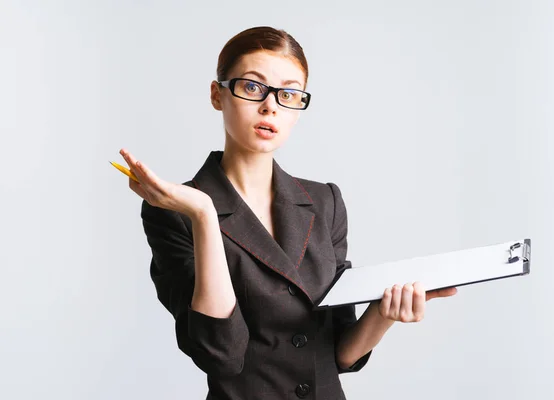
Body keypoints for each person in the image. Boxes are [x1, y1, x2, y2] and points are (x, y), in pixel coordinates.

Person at [119, 26, 457, 400]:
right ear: (217, 94)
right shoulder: (175, 211)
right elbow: (221, 354)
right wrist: (203, 213)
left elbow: (339, 354)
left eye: (289, 93)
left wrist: (382, 314)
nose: (271, 106)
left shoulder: (324, 201)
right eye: (252, 87)